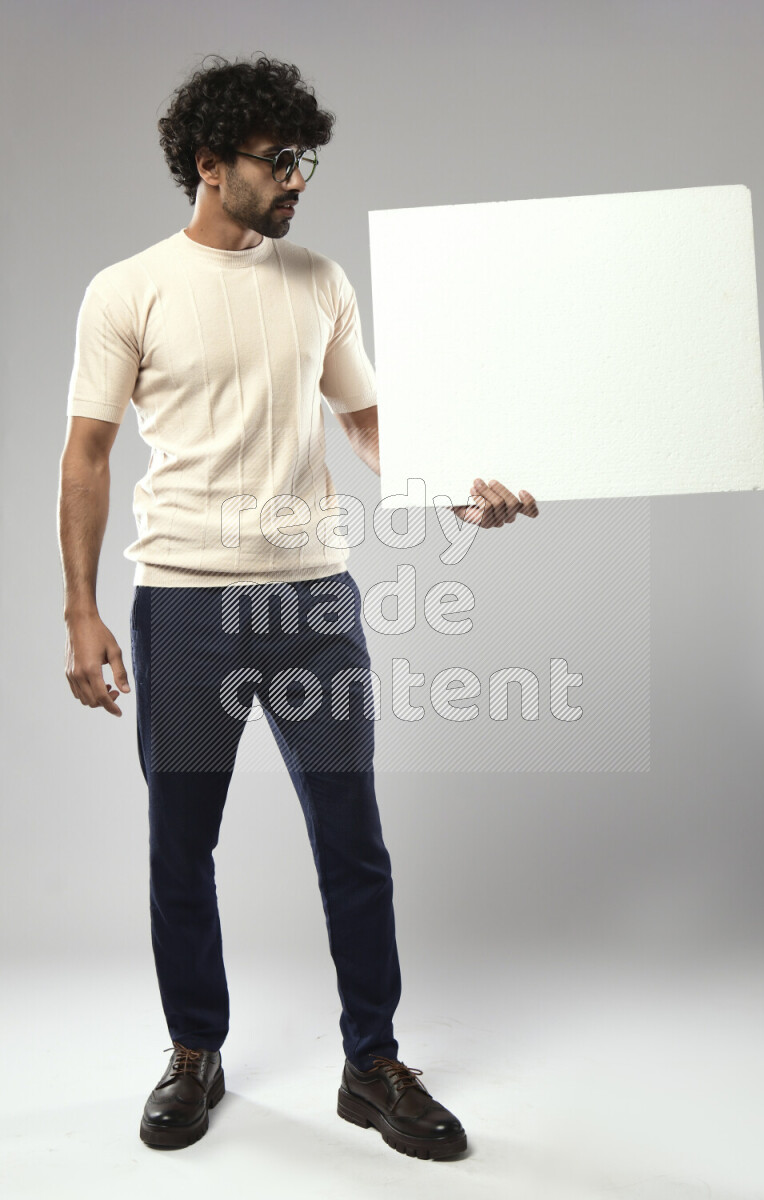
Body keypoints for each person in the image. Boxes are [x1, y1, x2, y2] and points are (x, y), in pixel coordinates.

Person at [57, 52, 539, 1159]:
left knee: (352, 840)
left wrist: (452, 489)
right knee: (181, 846)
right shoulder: (126, 289)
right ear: (208, 163)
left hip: (312, 601)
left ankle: (370, 1062)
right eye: (280, 161)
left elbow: (367, 425)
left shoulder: (319, 279)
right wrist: (79, 611)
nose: (298, 180)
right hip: (180, 604)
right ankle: (195, 1051)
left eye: (304, 158)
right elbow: (87, 456)